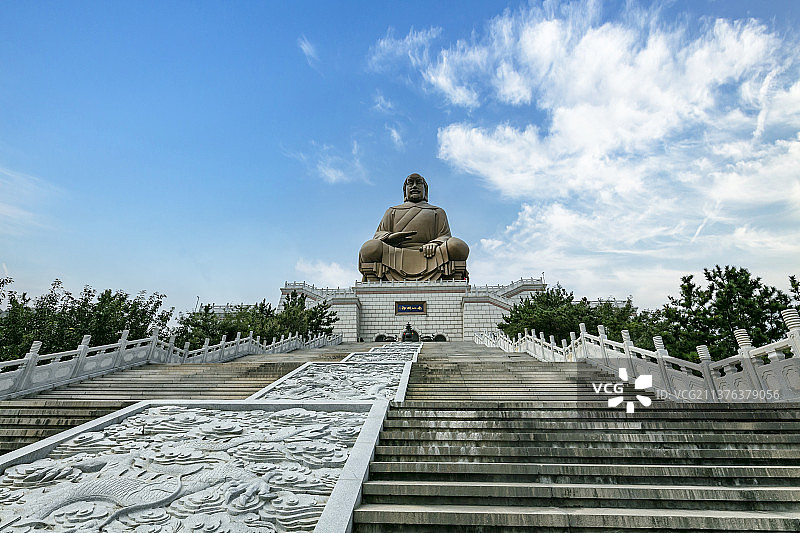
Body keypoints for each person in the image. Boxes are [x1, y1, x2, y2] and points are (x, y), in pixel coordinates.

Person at [358, 173, 469, 281]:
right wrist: (390, 238)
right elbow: (378, 235)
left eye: (418, 183)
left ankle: (452, 280)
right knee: (369, 247)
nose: (414, 186)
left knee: (457, 245)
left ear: (425, 189)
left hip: (431, 254)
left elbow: (445, 236)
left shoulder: (437, 212)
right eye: (410, 183)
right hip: (395, 253)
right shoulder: (392, 211)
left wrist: (435, 243)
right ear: (405, 190)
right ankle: (374, 281)